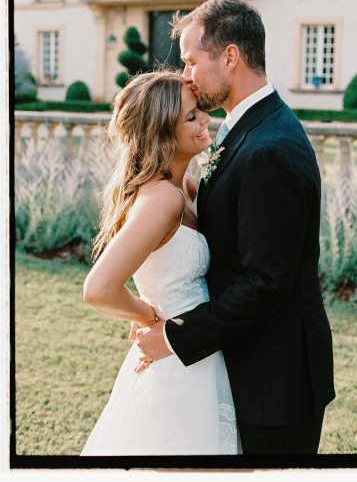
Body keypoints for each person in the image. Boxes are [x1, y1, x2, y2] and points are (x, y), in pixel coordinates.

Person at [135, 0, 336, 455]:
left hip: (275, 381)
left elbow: (266, 281)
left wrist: (173, 335)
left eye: (190, 61)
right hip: (246, 362)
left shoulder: (270, 148)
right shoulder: (248, 128)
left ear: (230, 56)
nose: (185, 75)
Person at [80, 71, 239, 455]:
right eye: (191, 117)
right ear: (162, 134)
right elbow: (99, 289)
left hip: (196, 344)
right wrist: (146, 315)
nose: (205, 119)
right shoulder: (161, 199)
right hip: (174, 358)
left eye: (200, 109)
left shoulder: (185, 186)